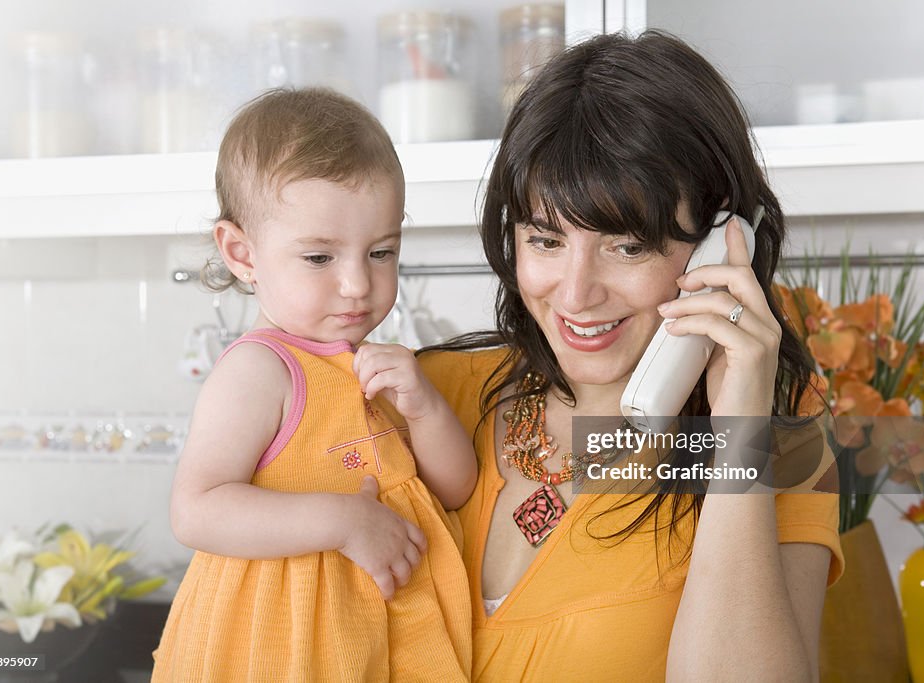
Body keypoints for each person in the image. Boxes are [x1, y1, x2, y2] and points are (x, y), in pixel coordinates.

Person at [417, 31, 843, 681]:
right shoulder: (426, 397)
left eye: (626, 245)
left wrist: (737, 429)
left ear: (721, 244)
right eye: (546, 239)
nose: (576, 293)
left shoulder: (784, 441)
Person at [153, 88, 476, 682]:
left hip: (373, 649)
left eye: (381, 251)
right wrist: (343, 521)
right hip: (279, 653)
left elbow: (454, 490)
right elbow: (195, 510)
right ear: (241, 253)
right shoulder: (260, 371)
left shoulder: (379, 368)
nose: (357, 283)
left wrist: (426, 409)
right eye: (320, 258)